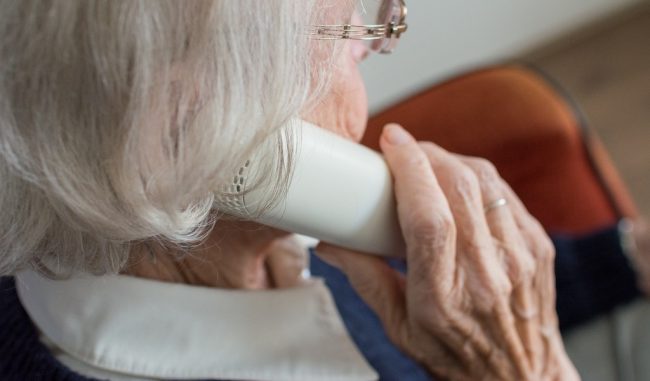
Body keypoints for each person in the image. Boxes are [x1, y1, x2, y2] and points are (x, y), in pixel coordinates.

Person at [6, 0, 642, 379]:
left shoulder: (261, 224)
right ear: (191, 132)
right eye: (348, 26)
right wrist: (526, 368)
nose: (373, 48)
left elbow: (455, 304)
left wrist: (624, 256)